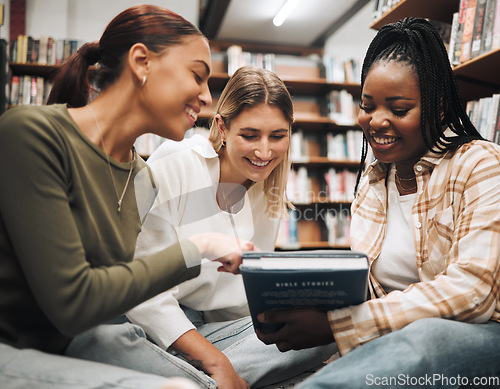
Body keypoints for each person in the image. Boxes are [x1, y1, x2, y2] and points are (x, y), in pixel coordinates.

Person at [0, 5, 256, 389]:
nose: (206, 96)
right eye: (197, 75)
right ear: (142, 62)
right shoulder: (31, 133)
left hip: (83, 346)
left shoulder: (142, 178)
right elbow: (74, 305)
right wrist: (198, 246)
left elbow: (112, 297)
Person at [255, 17, 500, 388]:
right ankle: (204, 374)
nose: (376, 122)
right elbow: (368, 289)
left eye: (398, 109)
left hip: (475, 335)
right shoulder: (372, 180)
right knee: (287, 331)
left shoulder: (480, 164)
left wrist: (339, 325)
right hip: (393, 332)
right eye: (367, 106)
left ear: (435, 107)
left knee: (424, 339)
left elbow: (472, 293)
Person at [65, 66, 336, 389]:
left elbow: (237, 308)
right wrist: (215, 361)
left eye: (277, 136)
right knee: (100, 341)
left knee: (332, 322)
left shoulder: (268, 194)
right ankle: (222, 380)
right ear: (221, 126)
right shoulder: (176, 163)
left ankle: (200, 382)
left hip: (209, 333)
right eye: (249, 135)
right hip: (140, 321)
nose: (264, 152)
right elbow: (141, 294)